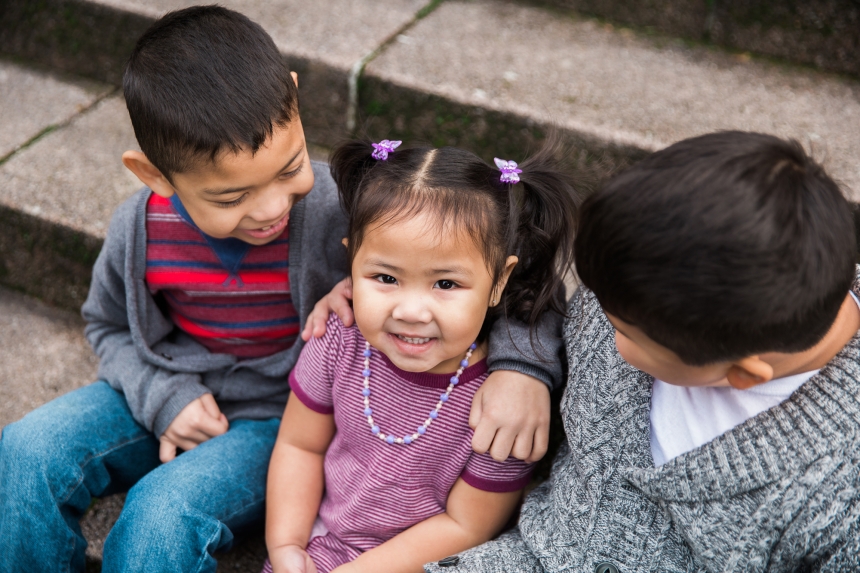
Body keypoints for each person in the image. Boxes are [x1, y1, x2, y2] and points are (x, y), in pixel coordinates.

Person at [0, 8, 565, 573]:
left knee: (162, 515)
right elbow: (106, 325)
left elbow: (508, 272)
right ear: (154, 176)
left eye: (289, 166)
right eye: (229, 198)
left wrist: (523, 369)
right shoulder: (138, 229)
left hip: (279, 416)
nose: (272, 207)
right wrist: (160, 394)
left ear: (294, 99)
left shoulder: (344, 206)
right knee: (25, 450)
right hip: (163, 388)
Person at [428, 131, 860, 572]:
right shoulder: (640, 274)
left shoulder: (839, 489)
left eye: (621, 331)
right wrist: (524, 366)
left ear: (744, 375)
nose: (593, 315)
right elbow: (520, 287)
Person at [262, 138, 581, 573]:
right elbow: (300, 445)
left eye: (446, 284)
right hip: (321, 548)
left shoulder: (504, 407)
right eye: (386, 276)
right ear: (352, 260)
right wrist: (285, 546)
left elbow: (467, 525)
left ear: (500, 281)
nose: (410, 312)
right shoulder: (340, 338)